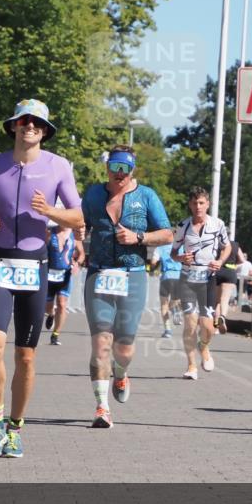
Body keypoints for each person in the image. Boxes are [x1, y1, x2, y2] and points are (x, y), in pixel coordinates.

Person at [0, 99, 84, 459]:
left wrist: (50, 212)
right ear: (14, 126)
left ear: (45, 130)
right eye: (23, 121)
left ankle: (16, 428)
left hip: (35, 263)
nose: (29, 126)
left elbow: (78, 217)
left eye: (36, 122)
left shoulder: (58, 166)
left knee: (26, 356)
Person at [80, 146, 173, 428]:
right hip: (99, 273)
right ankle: (101, 407)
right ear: (107, 167)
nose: (119, 174)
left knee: (125, 346)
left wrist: (139, 236)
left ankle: (120, 373)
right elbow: (78, 221)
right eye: (114, 167)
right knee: (101, 341)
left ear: (132, 170)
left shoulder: (146, 196)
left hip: (132, 275)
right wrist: (74, 240)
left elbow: (168, 234)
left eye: (125, 169)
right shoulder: (94, 194)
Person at [172, 187, 231, 380]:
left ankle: (203, 347)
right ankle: (191, 366)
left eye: (201, 203)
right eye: (194, 203)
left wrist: (220, 261)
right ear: (190, 205)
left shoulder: (218, 224)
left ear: (208, 204)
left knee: (208, 326)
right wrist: (181, 257)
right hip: (188, 278)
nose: (198, 207)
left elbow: (227, 246)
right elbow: (173, 252)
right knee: (190, 323)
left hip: (207, 278)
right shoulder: (183, 226)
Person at [44, 223, 84, 345]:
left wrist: (77, 264)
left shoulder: (75, 235)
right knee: (48, 306)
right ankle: (51, 315)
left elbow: (81, 253)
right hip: (49, 275)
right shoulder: (50, 233)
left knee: (62, 304)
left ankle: (55, 334)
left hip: (65, 275)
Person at [152, 243, 182, 338]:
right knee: (176, 301)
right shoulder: (181, 247)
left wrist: (154, 269)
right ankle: (175, 310)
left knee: (164, 305)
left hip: (166, 277)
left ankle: (168, 330)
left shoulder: (159, 248)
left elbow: (153, 262)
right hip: (179, 277)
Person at [214, 241, 245, 334]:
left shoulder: (216, 243)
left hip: (217, 271)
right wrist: (234, 263)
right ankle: (222, 317)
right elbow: (242, 260)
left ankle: (215, 327)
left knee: (216, 302)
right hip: (230, 271)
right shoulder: (235, 245)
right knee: (225, 299)